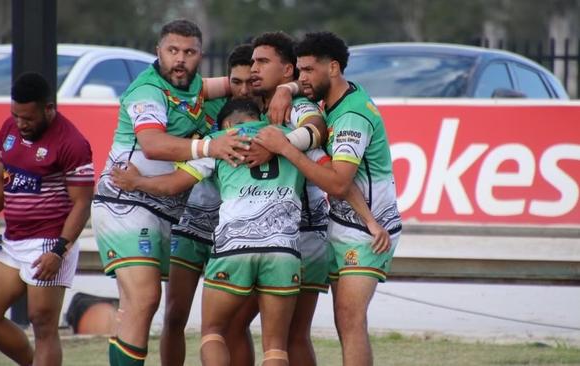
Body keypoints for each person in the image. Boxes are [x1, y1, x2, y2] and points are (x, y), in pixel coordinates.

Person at [111, 98, 330, 366]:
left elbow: (172, 186)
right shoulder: (287, 137)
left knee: (213, 333)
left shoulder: (218, 141)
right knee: (275, 348)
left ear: (227, 123)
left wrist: (136, 182)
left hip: (233, 247)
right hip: (284, 250)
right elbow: (329, 173)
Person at [90, 19, 249, 366]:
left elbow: (247, 84)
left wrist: (285, 89)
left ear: (200, 56)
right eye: (172, 51)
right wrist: (210, 146)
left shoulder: (195, 89)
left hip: (162, 210)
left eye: (189, 52)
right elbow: (152, 144)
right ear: (158, 52)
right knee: (146, 299)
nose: (180, 59)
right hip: (125, 202)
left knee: (135, 308)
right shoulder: (147, 91)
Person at [254, 31, 401, 366]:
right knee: (343, 322)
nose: (302, 78)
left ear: (333, 68)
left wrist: (286, 148)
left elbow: (337, 183)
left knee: (350, 321)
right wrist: (284, 88)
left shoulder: (351, 117)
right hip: (347, 222)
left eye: (308, 71)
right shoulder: (332, 100)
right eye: (299, 70)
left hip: (369, 234)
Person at [0, 72, 94, 366]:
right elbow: (2, 174)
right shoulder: (10, 129)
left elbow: (82, 204)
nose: (21, 124)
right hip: (11, 240)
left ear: (49, 108)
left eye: (28, 118)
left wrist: (58, 251)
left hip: (50, 241)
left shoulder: (73, 143)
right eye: (16, 116)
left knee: (43, 324)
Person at [236, 31, 330, 366]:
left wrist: (278, 144)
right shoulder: (260, 103)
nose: (254, 69)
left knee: (282, 335)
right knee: (281, 335)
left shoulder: (295, 105)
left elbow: (318, 126)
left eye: (263, 62)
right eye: (252, 62)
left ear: (288, 70)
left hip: (301, 234)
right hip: (280, 235)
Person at [159, 43, 256, 366]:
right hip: (191, 224)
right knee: (174, 316)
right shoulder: (206, 105)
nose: (242, 90)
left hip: (235, 233)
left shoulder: (269, 116)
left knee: (232, 325)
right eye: (235, 82)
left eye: (250, 82)